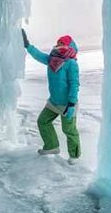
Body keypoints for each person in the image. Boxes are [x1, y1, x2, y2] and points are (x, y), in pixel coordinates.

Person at [21, 28, 80, 164]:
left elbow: (74, 84)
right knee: (43, 121)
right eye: (58, 43)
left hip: (67, 104)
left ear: (70, 47)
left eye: (63, 44)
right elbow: (38, 55)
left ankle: (74, 155)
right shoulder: (52, 59)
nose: (59, 46)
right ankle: (51, 146)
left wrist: (72, 103)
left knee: (69, 129)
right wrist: (27, 45)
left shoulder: (71, 64)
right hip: (54, 102)